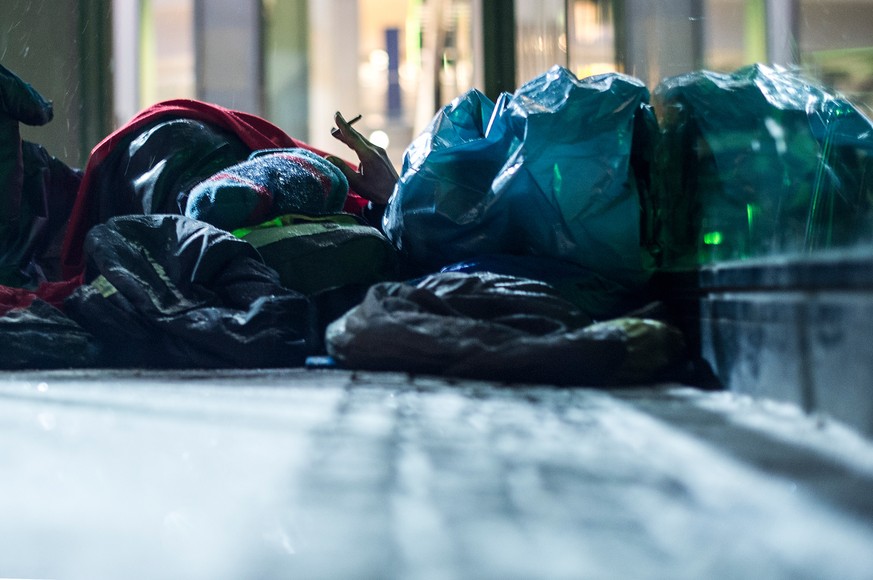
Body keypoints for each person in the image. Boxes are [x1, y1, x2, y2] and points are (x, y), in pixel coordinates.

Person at [0, 63, 398, 311]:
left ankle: (230, 192)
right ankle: (234, 193)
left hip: (145, 171)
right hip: (155, 179)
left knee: (173, 177)